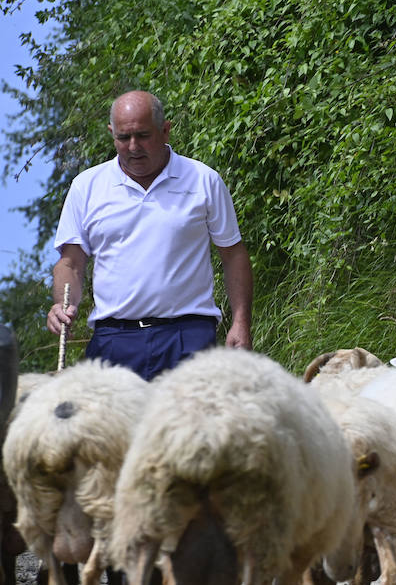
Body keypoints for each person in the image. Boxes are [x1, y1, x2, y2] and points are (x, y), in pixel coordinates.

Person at [45, 90, 253, 380]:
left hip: (188, 337)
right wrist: (62, 304)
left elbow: (233, 254)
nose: (133, 147)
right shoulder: (87, 187)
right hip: (113, 341)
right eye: (123, 138)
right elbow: (71, 263)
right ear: (111, 134)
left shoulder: (203, 180)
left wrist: (241, 322)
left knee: (191, 425)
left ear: (165, 130)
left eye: (143, 136)